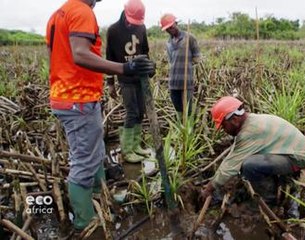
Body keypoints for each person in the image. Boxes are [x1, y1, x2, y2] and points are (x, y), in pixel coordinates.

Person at [45, 0, 154, 232]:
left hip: (72, 97)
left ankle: (100, 197)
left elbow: (55, 56)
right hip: (77, 99)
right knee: (84, 161)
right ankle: (86, 221)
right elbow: (80, 55)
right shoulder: (81, 11)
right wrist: (124, 69)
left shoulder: (58, 14)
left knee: (96, 151)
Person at [201, 96, 305, 203]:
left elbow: (231, 165)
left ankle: (269, 199)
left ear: (234, 120)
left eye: (223, 125)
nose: (224, 130)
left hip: (301, 160)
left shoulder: (249, 132)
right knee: (250, 162)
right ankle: (280, 182)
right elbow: (233, 158)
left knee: (249, 165)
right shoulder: (252, 121)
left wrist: (209, 189)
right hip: (296, 153)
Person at [105, 0, 152, 163]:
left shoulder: (142, 28)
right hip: (125, 78)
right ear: (125, 13)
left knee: (141, 111)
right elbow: (109, 57)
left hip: (140, 77)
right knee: (131, 112)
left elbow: (145, 51)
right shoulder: (113, 30)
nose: (133, 25)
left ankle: (136, 146)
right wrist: (110, 83)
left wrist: (149, 68)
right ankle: (126, 150)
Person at [160, 13, 201, 119]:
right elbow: (171, 62)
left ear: (176, 23)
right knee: (178, 110)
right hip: (173, 82)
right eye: (167, 29)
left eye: (171, 27)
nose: (170, 30)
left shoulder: (189, 38)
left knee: (188, 111)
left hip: (186, 82)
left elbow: (197, 59)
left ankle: (189, 132)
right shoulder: (168, 43)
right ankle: (180, 132)